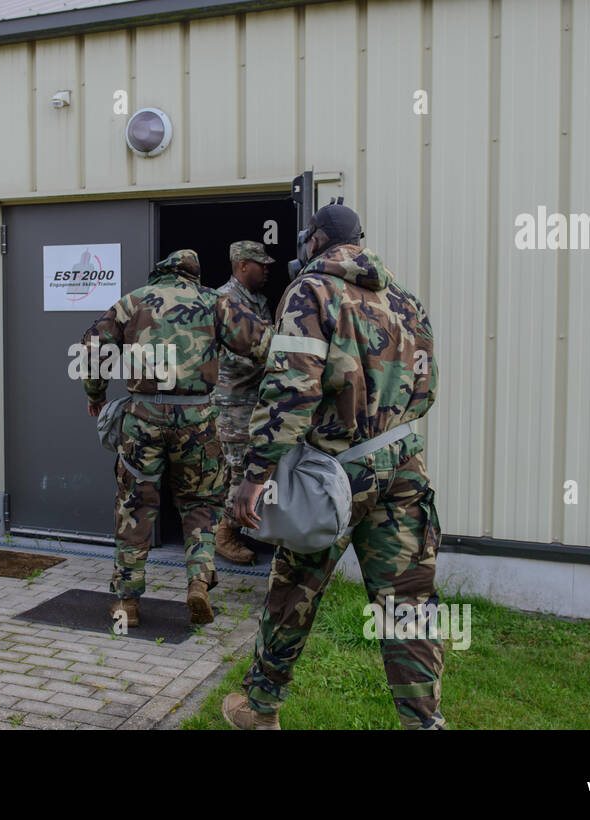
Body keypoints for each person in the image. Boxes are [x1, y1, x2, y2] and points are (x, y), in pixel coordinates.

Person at [221, 203, 446, 730]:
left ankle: (259, 709)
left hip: (335, 471)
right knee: (408, 599)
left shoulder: (311, 289)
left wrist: (255, 477)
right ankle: (424, 721)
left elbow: (288, 390)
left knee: (294, 587)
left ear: (316, 240)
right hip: (403, 463)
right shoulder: (405, 301)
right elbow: (427, 387)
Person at [83, 250, 271, 627]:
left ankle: (127, 603)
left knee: (135, 506)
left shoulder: (131, 301)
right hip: (198, 418)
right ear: (194, 275)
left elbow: (92, 349)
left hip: (143, 418)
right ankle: (198, 583)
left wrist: (96, 395)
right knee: (200, 504)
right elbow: (265, 346)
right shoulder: (216, 302)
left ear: (160, 273)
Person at [213, 240, 275, 565]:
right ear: (242, 265)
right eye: (260, 263)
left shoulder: (258, 302)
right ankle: (225, 534)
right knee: (238, 472)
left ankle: (237, 527)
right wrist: (273, 358)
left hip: (256, 402)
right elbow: (229, 356)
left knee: (254, 468)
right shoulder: (224, 302)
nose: (267, 269)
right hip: (232, 404)